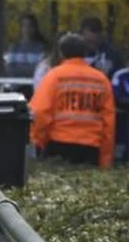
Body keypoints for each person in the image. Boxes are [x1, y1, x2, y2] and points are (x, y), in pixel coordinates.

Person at [29, 33, 116, 167]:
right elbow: (108, 122)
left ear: (61, 53)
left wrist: (38, 140)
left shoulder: (54, 76)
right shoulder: (101, 79)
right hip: (91, 146)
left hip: (58, 144)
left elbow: (40, 111)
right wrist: (105, 158)